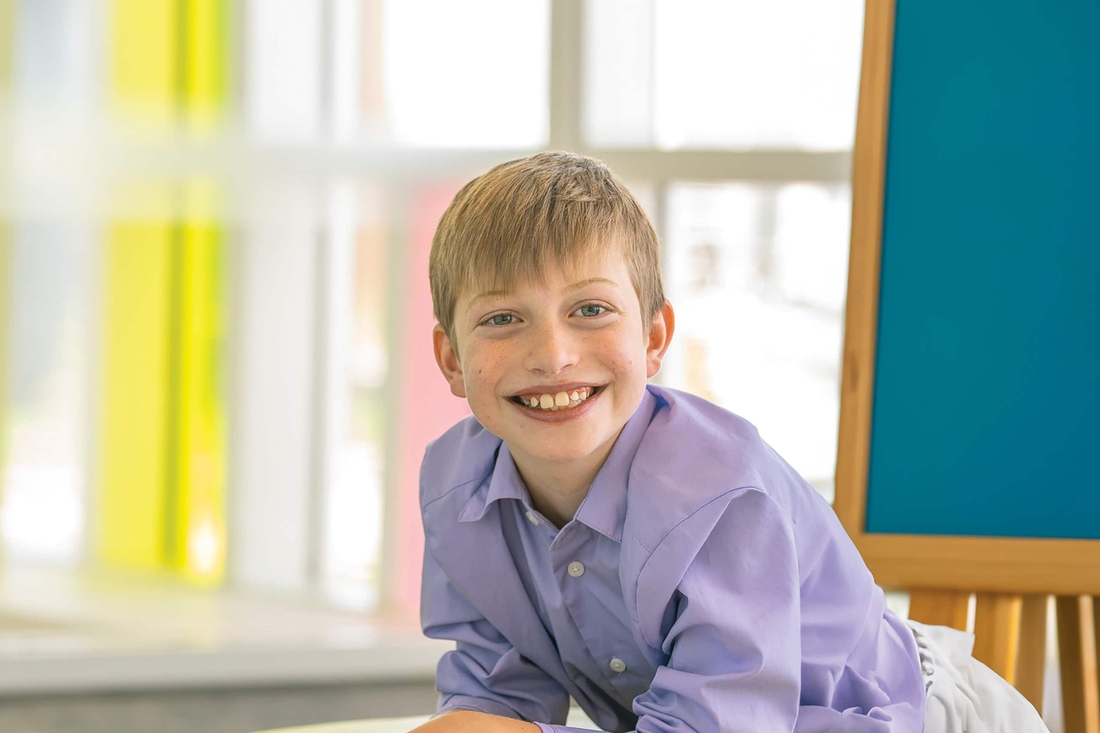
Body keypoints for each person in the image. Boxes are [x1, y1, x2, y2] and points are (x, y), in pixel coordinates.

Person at [409, 152, 1046, 732]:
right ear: (452, 359)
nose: (553, 355)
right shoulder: (455, 491)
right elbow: (497, 686)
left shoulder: (718, 499)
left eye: (591, 310)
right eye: (501, 319)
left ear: (655, 339)